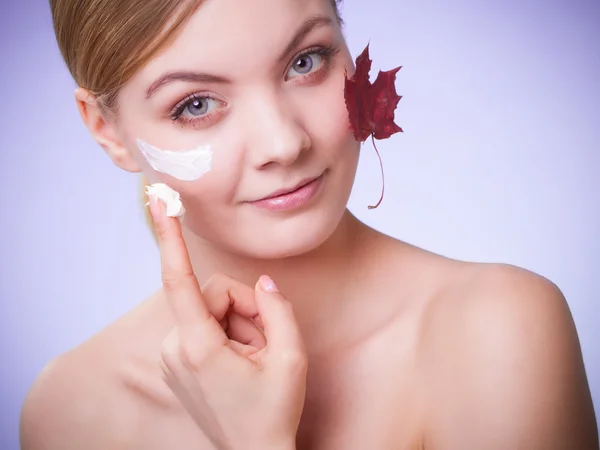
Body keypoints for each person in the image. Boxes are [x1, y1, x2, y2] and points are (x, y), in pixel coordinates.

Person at [20, 0, 598, 448]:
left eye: (305, 62)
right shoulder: (72, 406)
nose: (284, 142)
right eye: (195, 104)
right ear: (106, 130)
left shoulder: (497, 332)